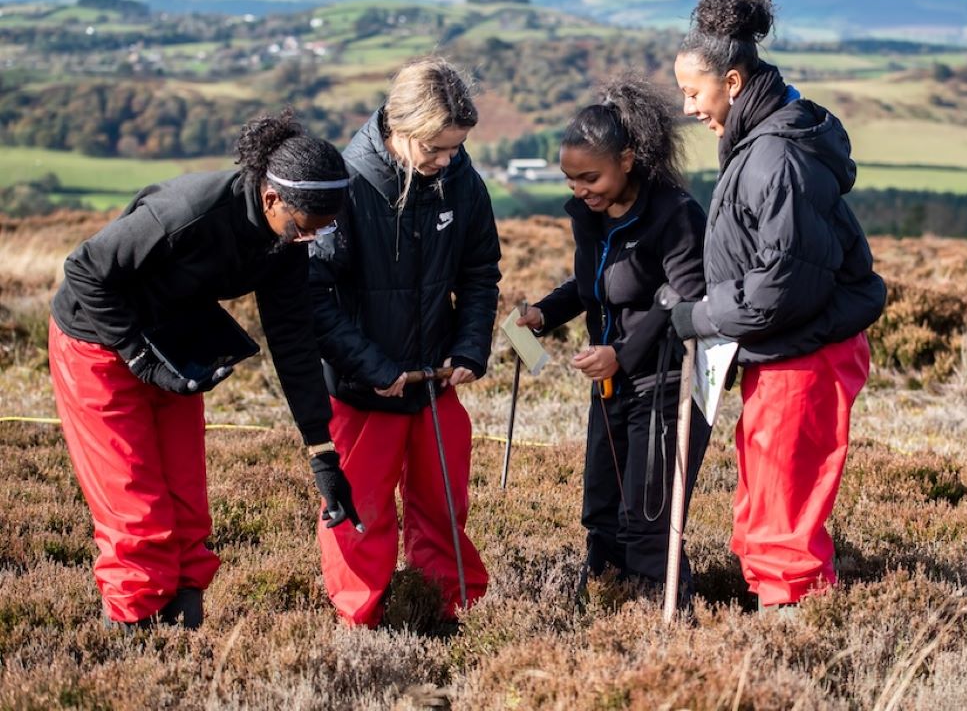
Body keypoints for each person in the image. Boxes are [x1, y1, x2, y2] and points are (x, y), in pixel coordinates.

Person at [48, 109, 362, 630]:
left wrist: (322, 454)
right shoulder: (186, 212)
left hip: (171, 343)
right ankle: (132, 639)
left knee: (186, 505)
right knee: (136, 509)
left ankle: (183, 623)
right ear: (271, 199)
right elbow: (84, 271)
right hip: (98, 345)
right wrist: (137, 354)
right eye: (307, 230)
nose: (311, 242)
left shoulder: (284, 240)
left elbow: (293, 342)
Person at [670, 0, 887, 610]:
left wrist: (700, 316)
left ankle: (793, 655)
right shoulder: (761, 141)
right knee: (765, 509)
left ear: (732, 83)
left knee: (783, 527)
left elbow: (782, 286)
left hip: (803, 359)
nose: (687, 107)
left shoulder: (776, 159)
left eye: (694, 93)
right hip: (785, 355)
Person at [309, 56, 500, 627]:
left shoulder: (461, 179)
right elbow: (313, 295)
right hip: (363, 392)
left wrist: (469, 348)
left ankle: (458, 613)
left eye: (455, 148)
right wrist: (372, 366)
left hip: (434, 384)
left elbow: (480, 271)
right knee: (360, 515)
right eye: (437, 150)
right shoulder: (346, 186)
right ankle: (360, 624)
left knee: (443, 506)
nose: (448, 160)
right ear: (400, 130)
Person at [515, 74, 710, 604]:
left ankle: (664, 620)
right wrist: (545, 314)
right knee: (602, 508)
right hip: (611, 385)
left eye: (589, 178)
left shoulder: (675, 216)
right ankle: (605, 606)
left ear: (628, 159)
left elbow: (684, 298)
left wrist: (622, 355)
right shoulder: (592, 217)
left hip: (666, 385)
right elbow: (594, 283)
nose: (579, 190)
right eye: (570, 179)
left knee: (649, 515)